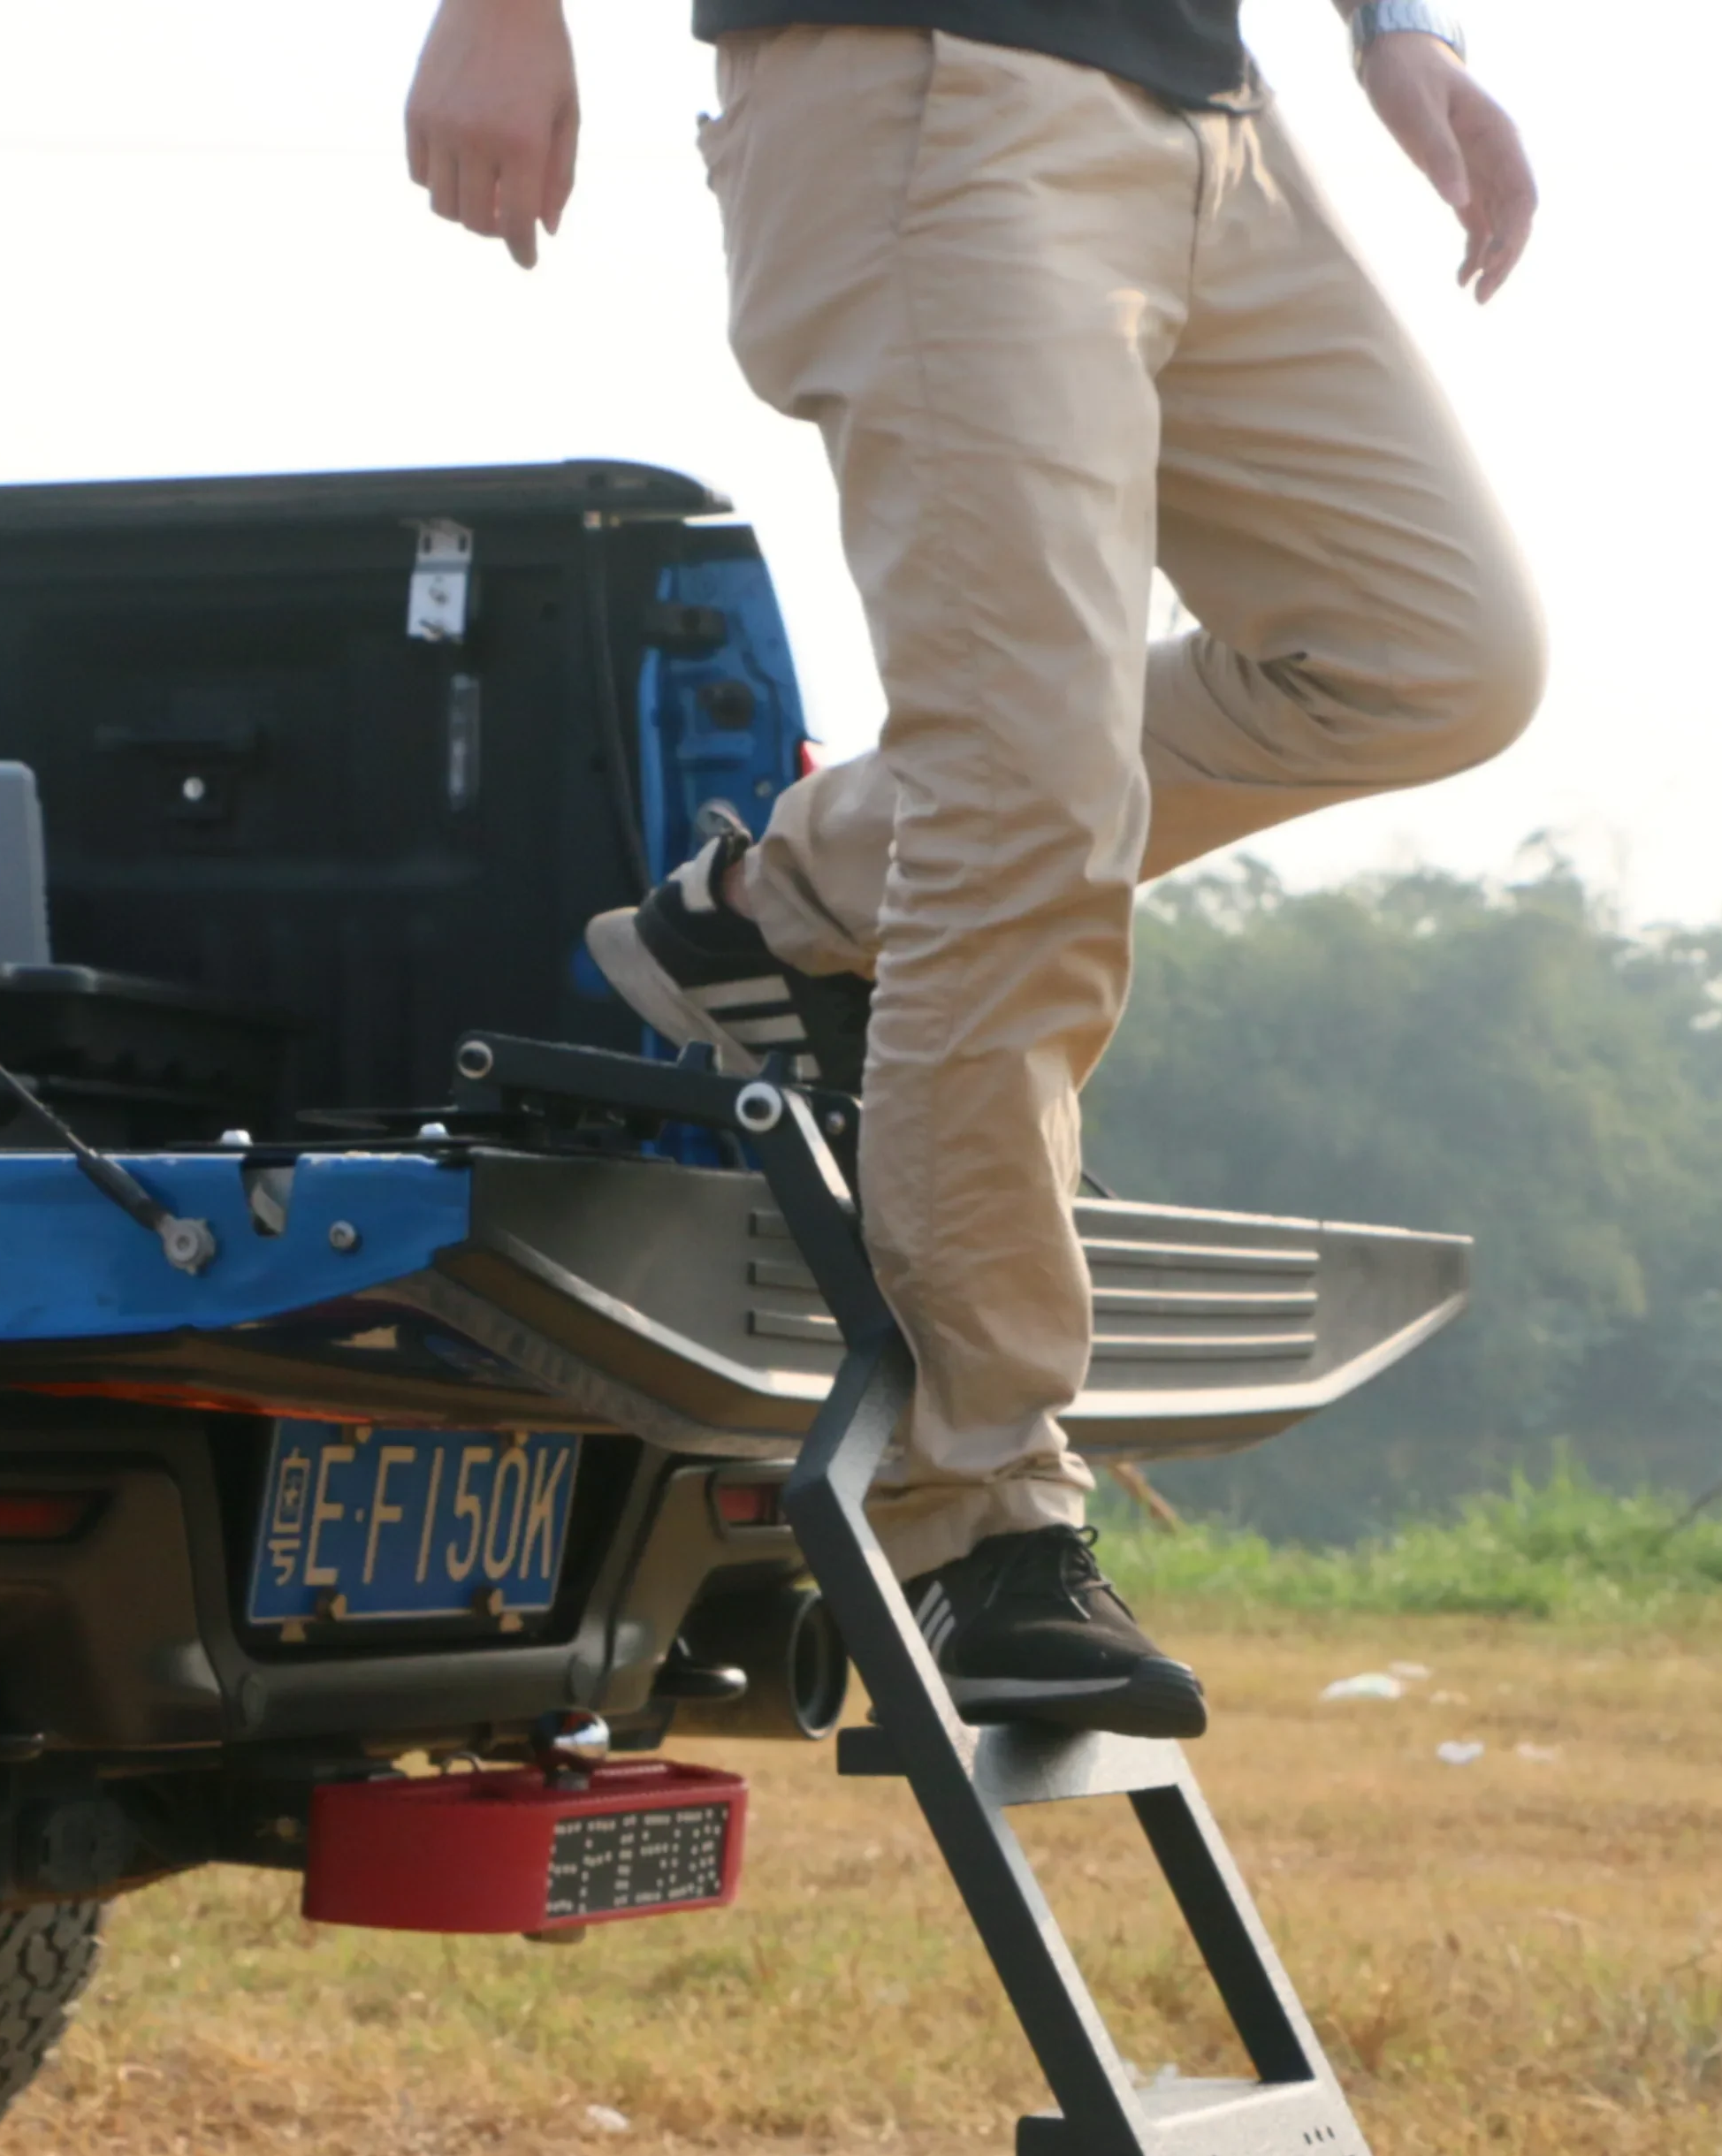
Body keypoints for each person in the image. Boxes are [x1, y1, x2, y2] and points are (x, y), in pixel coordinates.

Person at [405, 0, 1543, 1733]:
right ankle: (980, 1513)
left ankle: (788, 901)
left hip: (1208, 106)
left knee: (1437, 656)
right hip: (931, 78)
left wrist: (1397, 29)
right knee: (1027, 804)